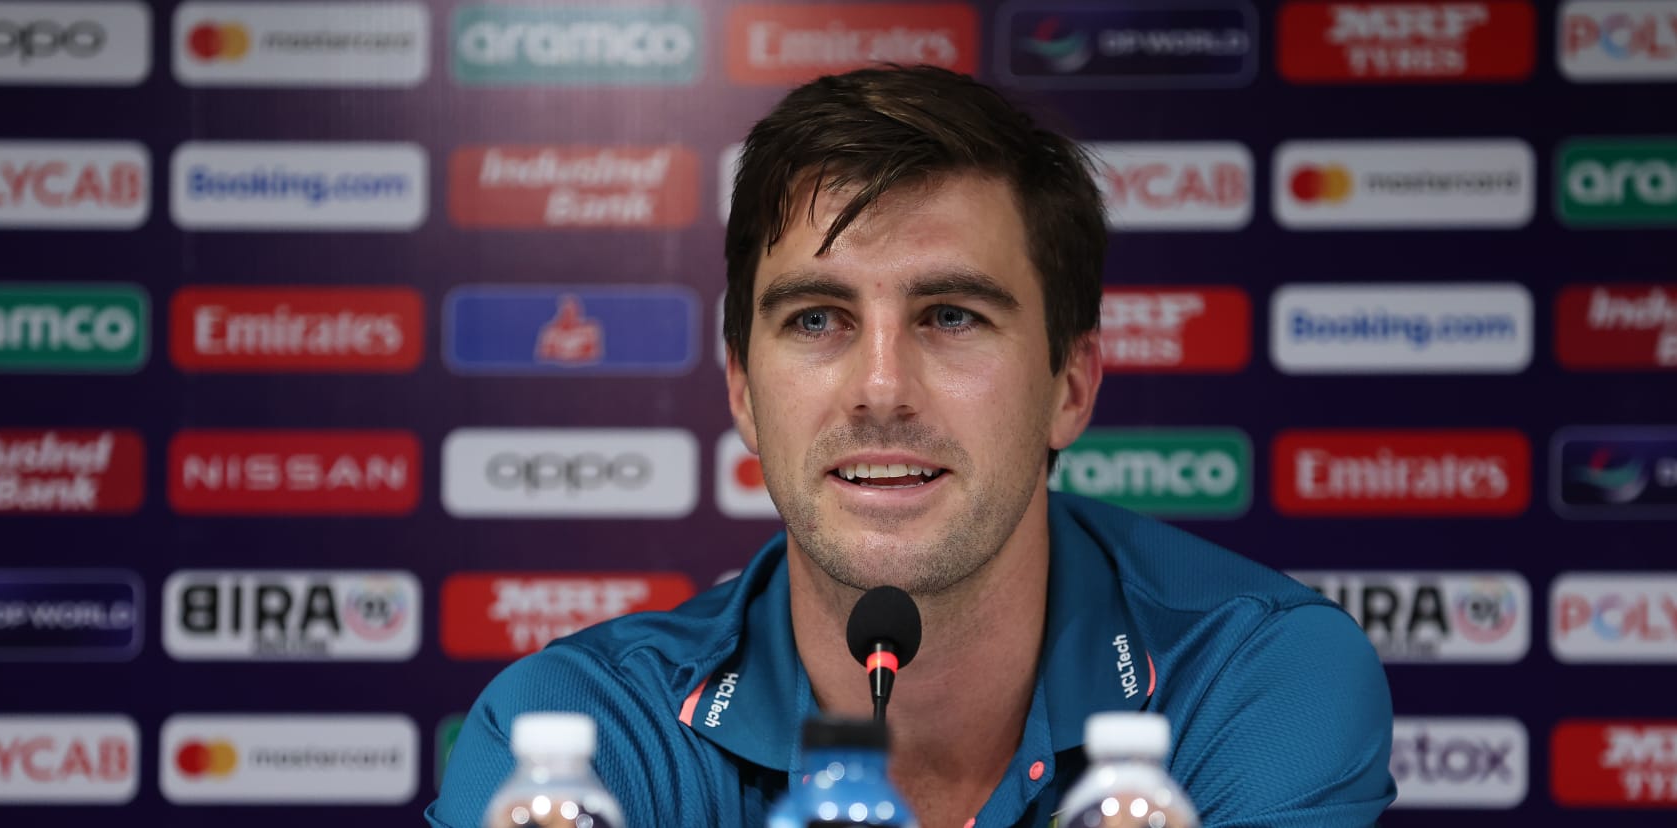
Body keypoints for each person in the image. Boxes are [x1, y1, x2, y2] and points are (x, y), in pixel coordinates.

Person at [429, 65, 1395, 828]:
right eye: (816, 320)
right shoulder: (575, 740)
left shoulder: (1254, 677)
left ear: (1071, 385)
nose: (881, 389)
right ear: (742, 391)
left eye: (949, 315)